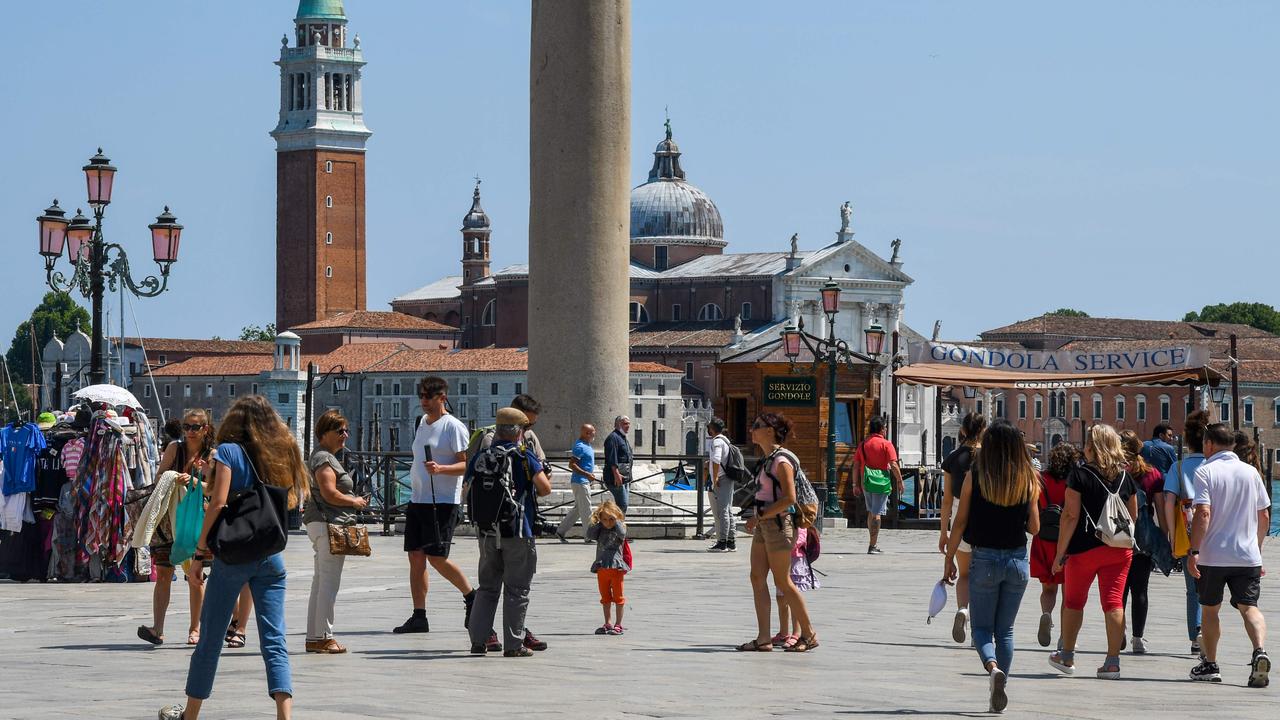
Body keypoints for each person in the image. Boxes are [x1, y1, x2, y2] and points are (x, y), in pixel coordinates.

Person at [158, 395, 308, 720]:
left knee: (210, 637)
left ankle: (191, 714)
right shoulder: (278, 452)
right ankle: (285, 715)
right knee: (274, 638)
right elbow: (293, 499)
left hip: (234, 555)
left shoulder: (228, 451)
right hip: (270, 555)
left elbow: (218, 502)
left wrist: (199, 553)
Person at [944, 419, 1039, 714]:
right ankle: (1003, 682)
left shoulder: (976, 475)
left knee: (982, 629)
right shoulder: (1029, 478)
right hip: (1017, 560)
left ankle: (992, 668)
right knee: (1006, 631)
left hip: (983, 558)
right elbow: (1035, 528)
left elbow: (959, 521)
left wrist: (949, 558)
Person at [1049, 424, 1138, 679]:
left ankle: (1066, 655)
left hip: (1084, 549)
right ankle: (1112, 662)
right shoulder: (1126, 477)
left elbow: (1069, 515)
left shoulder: (1079, 475)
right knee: (1113, 602)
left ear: (1091, 446)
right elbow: (1133, 515)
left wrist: (1059, 553)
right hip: (1119, 549)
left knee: (1074, 601)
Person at [1186, 422, 1270, 687]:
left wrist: (1194, 551)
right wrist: (1257, 549)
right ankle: (1259, 651)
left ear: (1209, 444)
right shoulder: (1251, 472)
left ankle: (1210, 664)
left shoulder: (1205, 471)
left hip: (1213, 555)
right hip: (1247, 556)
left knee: (1210, 610)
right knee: (1250, 607)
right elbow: (1264, 515)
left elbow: (1204, 513)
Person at [466, 407, 552, 657]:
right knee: (517, 589)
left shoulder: (482, 455)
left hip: (487, 531)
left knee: (487, 588)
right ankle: (514, 644)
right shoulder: (524, 457)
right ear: (518, 432)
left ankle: (478, 641)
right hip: (518, 529)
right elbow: (545, 489)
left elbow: (468, 487)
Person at [395, 376, 475, 635]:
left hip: (442, 502)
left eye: (429, 397)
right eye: (422, 396)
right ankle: (419, 616)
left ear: (442, 398)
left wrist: (441, 468)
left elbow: (466, 464)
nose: (424, 401)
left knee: (437, 558)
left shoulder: (454, 427)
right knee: (415, 558)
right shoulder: (421, 424)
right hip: (417, 500)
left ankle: (472, 596)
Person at [737, 413, 817, 653]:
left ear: (770, 430)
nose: (752, 430)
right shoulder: (767, 458)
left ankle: (809, 633)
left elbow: (790, 498)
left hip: (780, 525)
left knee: (783, 581)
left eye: (757, 426)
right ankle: (763, 638)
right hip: (765, 524)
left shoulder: (781, 460)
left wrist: (759, 516)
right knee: (757, 577)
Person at [138, 409, 215, 647]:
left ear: (205, 429)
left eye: (195, 427)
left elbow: (212, 489)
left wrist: (193, 480)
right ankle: (157, 628)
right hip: (168, 520)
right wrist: (173, 476)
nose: (190, 432)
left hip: (195, 519)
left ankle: (195, 628)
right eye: (186, 427)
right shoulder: (174, 449)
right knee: (163, 573)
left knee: (195, 575)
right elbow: (161, 476)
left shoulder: (212, 455)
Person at [303, 410, 368, 654]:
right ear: (324, 433)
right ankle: (325, 637)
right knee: (328, 584)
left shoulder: (325, 456)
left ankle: (314, 636)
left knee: (320, 583)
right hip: (329, 523)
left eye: (346, 430)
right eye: (339, 431)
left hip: (321, 523)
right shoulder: (324, 459)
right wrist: (355, 502)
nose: (345, 435)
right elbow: (329, 492)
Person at [1163, 410, 1209, 655]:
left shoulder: (1178, 467)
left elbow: (1169, 502)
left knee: (1193, 590)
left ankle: (1196, 635)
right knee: (1212, 588)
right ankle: (1209, 633)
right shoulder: (1213, 465)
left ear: (1187, 441)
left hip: (1188, 535)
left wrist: (1172, 534)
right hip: (1214, 533)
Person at [939, 412, 986, 644]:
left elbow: (946, 500)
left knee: (965, 573)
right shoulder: (988, 458)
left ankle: (962, 610)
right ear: (983, 430)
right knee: (984, 575)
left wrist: (943, 533)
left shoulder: (952, 457)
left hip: (959, 515)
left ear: (963, 431)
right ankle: (980, 626)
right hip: (984, 517)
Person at [1029, 442, 1080, 648]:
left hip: (1044, 537)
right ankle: (1063, 638)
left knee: (1048, 588)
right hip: (1068, 540)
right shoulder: (1075, 481)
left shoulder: (1042, 479)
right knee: (1069, 594)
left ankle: (1046, 614)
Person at [1119, 430, 1163, 655]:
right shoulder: (1152, 473)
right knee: (1140, 589)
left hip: (1117, 537)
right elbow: (1161, 508)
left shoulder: (1113, 472)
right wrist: (1165, 534)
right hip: (1143, 538)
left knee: (1119, 590)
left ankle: (1118, 632)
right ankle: (1138, 638)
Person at [852, 417, 903, 554]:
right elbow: (893, 464)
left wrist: (854, 484)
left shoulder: (863, 444)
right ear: (881, 429)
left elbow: (856, 465)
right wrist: (899, 481)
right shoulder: (886, 444)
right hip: (881, 482)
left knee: (871, 512)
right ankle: (872, 545)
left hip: (866, 482)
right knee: (877, 513)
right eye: (885, 427)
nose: (886, 430)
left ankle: (872, 542)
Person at [587, 499, 629, 635]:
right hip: (602, 567)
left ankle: (618, 624)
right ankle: (608, 623)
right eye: (605, 519)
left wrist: (616, 520)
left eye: (611, 519)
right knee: (605, 597)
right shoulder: (600, 529)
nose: (608, 522)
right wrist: (598, 522)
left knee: (618, 597)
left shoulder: (619, 527)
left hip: (616, 568)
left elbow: (623, 534)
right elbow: (589, 535)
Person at [774, 525, 820, 649]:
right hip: (782, 558)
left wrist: (783, 545)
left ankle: (797, 633)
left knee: (793, 599)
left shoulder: (799, 520)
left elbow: (799, 539)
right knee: (780, 598)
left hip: (796, 560)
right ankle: (783, 633)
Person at [556, 424, 598, 543]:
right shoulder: (580, 446)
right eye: (593, 433)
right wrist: (587, 474)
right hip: (581, 482)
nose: (594, 435)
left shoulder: (587, 445)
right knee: (586, 509)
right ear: (587, 433)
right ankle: (589, 536)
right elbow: (572, 464)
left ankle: (560, 531)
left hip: (582, 481)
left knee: (578, 509)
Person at [706, 418, 736, 552]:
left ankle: (722, 542)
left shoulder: (717, 442)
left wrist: (715, 476)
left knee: (723, 510)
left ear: (712, 429)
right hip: (728, 478)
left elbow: (716, 459)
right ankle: (731, 541)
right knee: (728, 509)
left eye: (709, 427)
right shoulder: (725, 441)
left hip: (722, 478)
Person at [602, 415, 634, 512]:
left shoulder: (623, 437)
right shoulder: (613, 438)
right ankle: (615, 526)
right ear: (617, 424)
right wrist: (616, 474)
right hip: (616, 478)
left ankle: (616, 525)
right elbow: (612, 458)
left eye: (628, 424)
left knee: (623, 506)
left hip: (625, 478)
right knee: (622, 505)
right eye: (625, 424)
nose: (628, 426)